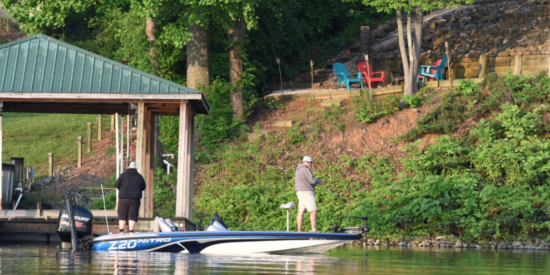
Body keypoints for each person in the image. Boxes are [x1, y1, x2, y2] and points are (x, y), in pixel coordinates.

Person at [116, 161, 146, 234]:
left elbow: (117, 184)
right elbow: (143, 187)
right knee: (133, 215)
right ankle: (131, 232)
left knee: (122, 214)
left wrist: (122, 190)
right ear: (135, 167)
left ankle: (121, 231)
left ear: (128, 167)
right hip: (135, 199)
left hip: (123, 198)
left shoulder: (123, 175)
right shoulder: (139, 177)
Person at [295, 156, 322, 232]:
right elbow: (312, 181)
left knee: (301, 211)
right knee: (313, 210)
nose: (309, 163)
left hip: (300, 193)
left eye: (310, 162)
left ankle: (299, 230)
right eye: (308, 162)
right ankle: (314, 230)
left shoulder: (298, 169)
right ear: (304, 162)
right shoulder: (305, 169)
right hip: (307, 192)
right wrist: (319, 181)